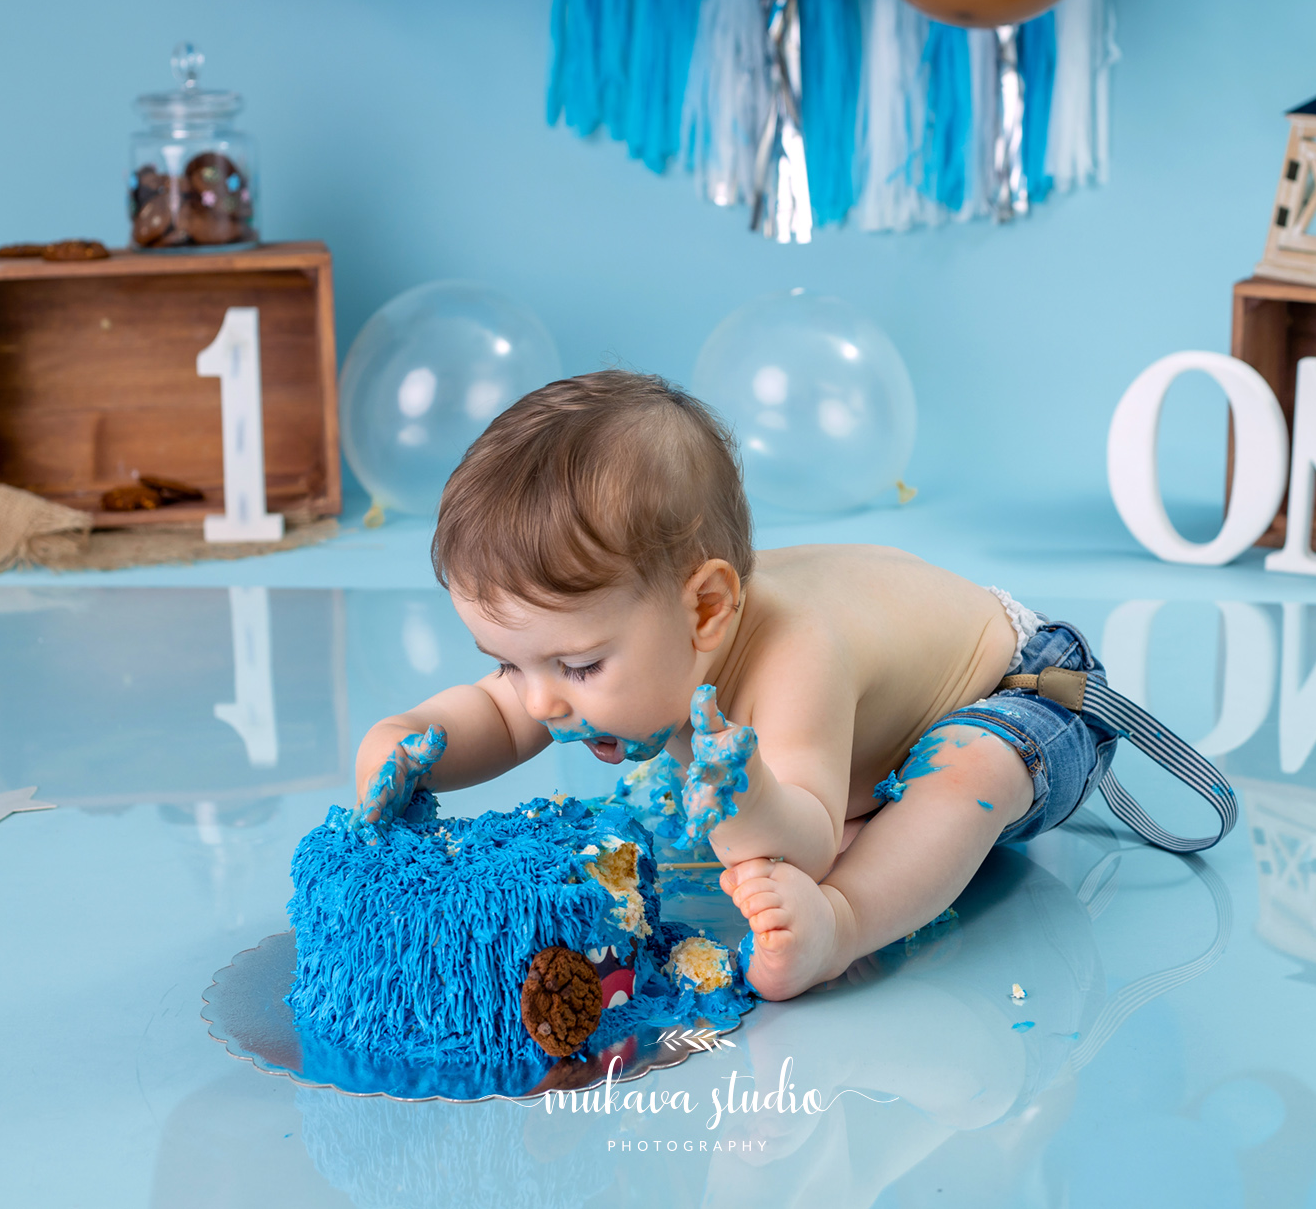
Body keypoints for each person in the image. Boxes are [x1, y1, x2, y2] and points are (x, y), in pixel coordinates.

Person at [352, 370, 1230, 1001]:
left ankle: (843, 924)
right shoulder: (622, 633)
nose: (543, 700)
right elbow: (502, 714)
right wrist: (415, 738)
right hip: (877, 733)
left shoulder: (794, 654)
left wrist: (751, 802)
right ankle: (867, 812)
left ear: (707, 609)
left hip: (1026, 696)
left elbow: (804, 836)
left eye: (578, 668)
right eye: (511, 661)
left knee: (968, 774)